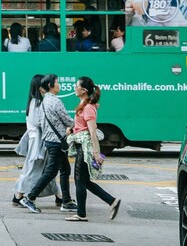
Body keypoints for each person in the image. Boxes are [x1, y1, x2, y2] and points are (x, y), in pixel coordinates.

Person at [65, 76, 120, 222]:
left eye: (76, 86)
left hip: (86, 148)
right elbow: (82, 127)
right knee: (85, 181)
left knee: (79, 181)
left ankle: (81, 214)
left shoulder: (88, 107)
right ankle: (112, 201)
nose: (74, 88)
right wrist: (72, 129)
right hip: (82, 145)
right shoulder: (84, 105)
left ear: (83, 90)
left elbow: (92, 131)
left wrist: (96, 153)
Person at [19, 74, 74, 214]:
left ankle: (66, 201)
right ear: (50, 86)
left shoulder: (43, 101)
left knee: (64, 170)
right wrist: (78, 125)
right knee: (50, 172)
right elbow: (67, 120)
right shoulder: (55, 102)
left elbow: (43, 123)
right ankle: (29, 198)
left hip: (50, 140)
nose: (59, 85)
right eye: (57, 82)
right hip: (56, 141)